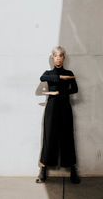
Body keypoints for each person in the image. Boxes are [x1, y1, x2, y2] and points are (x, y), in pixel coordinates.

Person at [36, 46, 81, 184]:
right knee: (49, 136)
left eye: (60, 56)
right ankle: (43, 171)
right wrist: (62, 77)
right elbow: (42, 77)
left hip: (65, 107)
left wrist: (58, 93)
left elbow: (75, 89)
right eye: (55, 56)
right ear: (52, 57)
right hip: (51, 108)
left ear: (63, 58)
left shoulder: (70, 72)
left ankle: (73, 170)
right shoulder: (49, 73)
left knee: (67, 136)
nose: (58, 58)